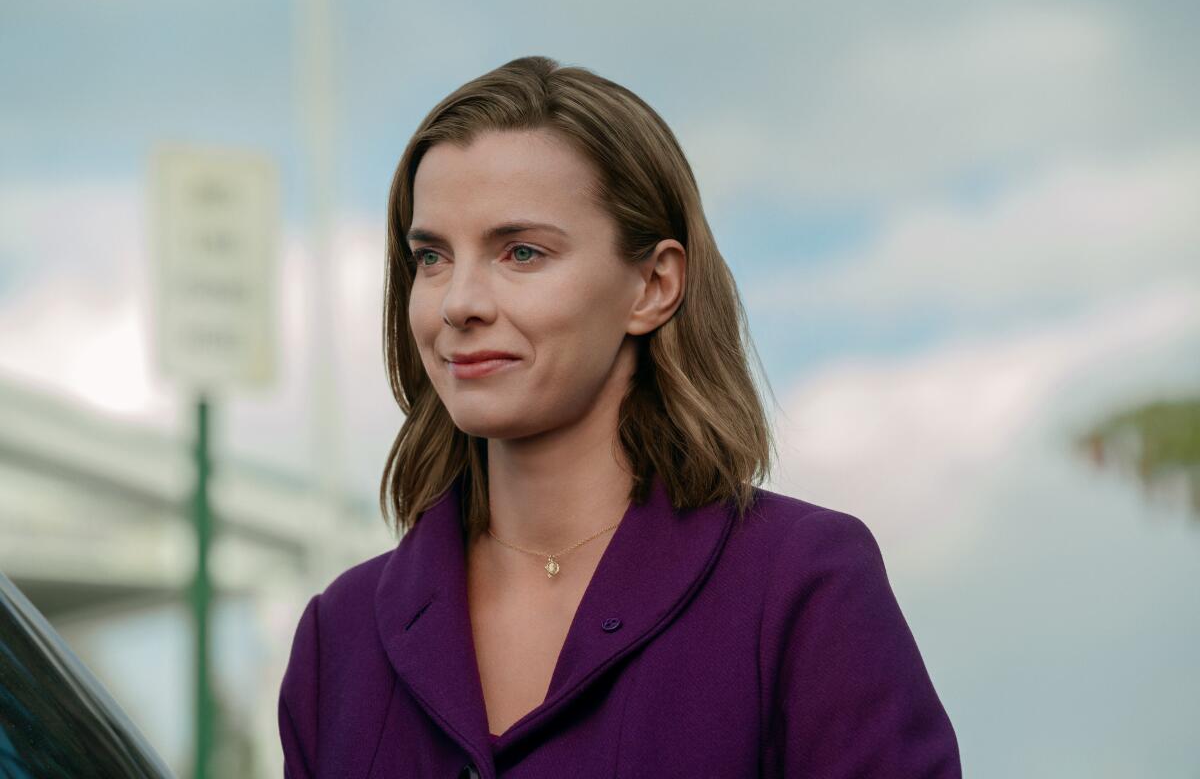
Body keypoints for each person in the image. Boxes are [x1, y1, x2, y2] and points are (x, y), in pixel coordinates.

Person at [278, 55, 962, 778]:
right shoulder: (340, 637)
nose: (459, 303)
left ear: (654, 285)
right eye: (432, 257)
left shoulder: (802, 585)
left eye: (521, 252)